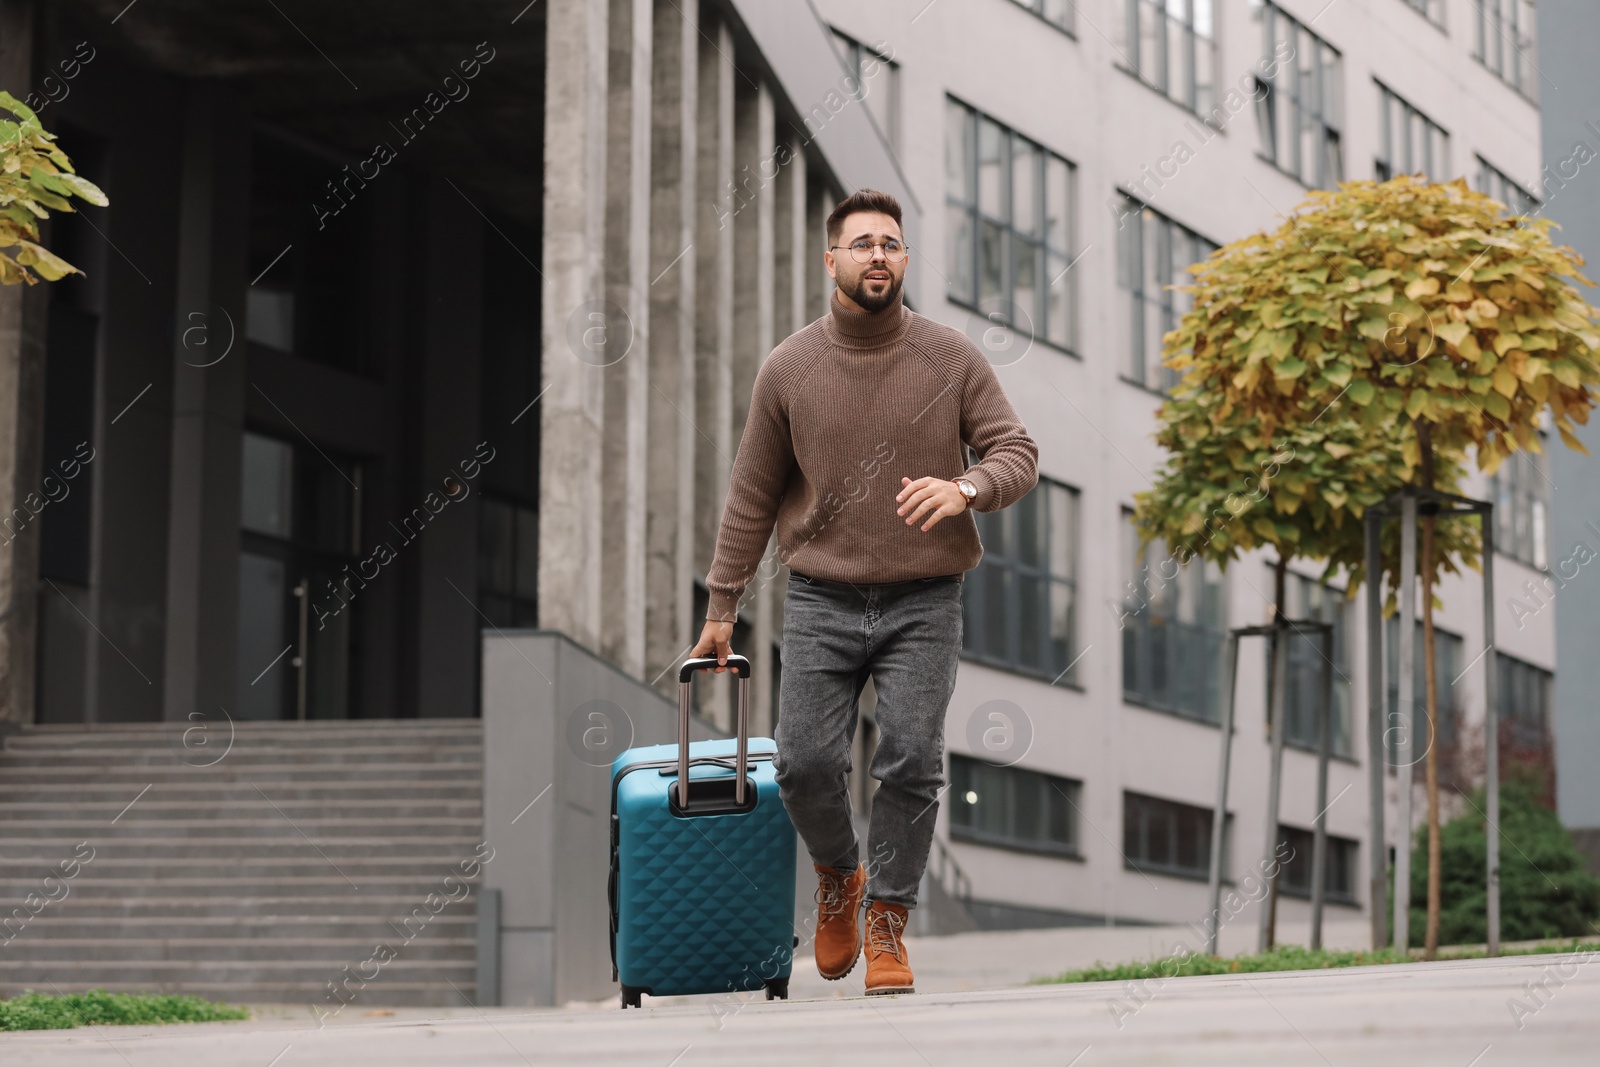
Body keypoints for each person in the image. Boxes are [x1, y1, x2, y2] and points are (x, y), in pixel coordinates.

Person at [688, 188, 1038, 995]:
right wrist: (720, 608)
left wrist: (969, 488)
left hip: (925, 597)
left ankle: (887, 919)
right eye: (861, 244)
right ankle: (839, 875)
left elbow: (1016, 450)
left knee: (911, 757)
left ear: (905, 260)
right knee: (805, 761)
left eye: (891, 243)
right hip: (821, 596)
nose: (877, 255)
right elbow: (750, 496)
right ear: (831, 260)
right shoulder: (788, 368)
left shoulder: (950, 357)